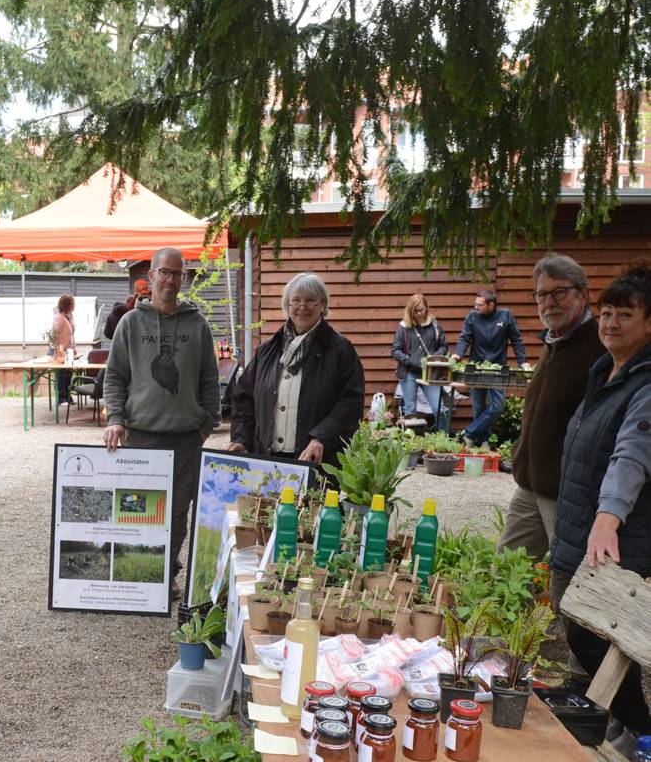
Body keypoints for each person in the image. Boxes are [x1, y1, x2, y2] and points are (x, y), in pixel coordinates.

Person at [550, 260, 651, 745]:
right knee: (578, 632)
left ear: (649, 324)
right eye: (606, 312)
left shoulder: (646, 387)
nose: (610, 323)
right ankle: (606, 725)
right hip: (576, 533)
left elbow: (631, 454)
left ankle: (636, 734)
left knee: (598, 639)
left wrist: (607, 519)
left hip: (610, 540)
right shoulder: (605, 374)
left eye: (624, 315)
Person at [103, 248, 221, 581]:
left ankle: (166, 572)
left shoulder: (197, 325)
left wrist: (206, 425)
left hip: (186, 437)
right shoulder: (130, 323)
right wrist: (115, 419)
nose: (170, 280)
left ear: (183, 278)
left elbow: (210, 379)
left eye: (177, 273)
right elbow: (115, 377)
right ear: (151, 275)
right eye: (164, 272)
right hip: (142, 435)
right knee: (137, 508)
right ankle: (140, 575)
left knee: (178, 511)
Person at [498, 255, 605, 561]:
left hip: (566, 493)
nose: (549, 302)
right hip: (531, 485)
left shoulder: (599, 349)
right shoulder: (553, 341)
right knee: (505, 571)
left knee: (568, 578)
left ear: (582, 295)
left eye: (560, 292)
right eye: (542, 294)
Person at [227, 271, 364, 464]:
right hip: (265, 457)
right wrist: (242, 439)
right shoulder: (268, 349)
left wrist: (321, 438)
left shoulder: (340, 350)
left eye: (310, 300)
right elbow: (243, 399)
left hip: (316, 460)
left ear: (322, 305)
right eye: (296, 300)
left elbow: (351, 404)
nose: (302, 307)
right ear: (287, 305)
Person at [450, 290, 530, 445]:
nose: (475, 307)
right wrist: (457, 355)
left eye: (479, 304)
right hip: (476, 368)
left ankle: (469, 432)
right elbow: (464, 338)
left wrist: (523, 362)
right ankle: (483, 441)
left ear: (491, 305)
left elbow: (517, 340)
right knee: (479, 408)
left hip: (498, 369)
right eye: (475, 304)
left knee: (497, 407)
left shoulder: (505, 316)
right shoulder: (472, 317)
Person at [390, 293, 447, 427]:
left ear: (426, 308)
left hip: (430, 373)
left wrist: (436, 357)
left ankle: (442, 440)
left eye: (422, 309)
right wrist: (411, 361)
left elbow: (443, 346)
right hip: (409, 373)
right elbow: (395, 351)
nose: (420, 313)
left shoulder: (435, 326)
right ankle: (411, 442)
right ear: (411, 311)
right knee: (410, 411)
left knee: (440, 409)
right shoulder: (403, 327)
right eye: (416, 311)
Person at [53, 293, 76, 405]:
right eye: (72, 303)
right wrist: (58, 349)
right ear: (67, 305)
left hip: (70, 351)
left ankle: (68, 396)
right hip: (62, 352)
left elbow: (71, 334)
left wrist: (74, 347)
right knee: (62, 375)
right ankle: (61, 398)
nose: (74, 305)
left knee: (68, 375)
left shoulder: (69, 317)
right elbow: (53, 335)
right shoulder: (60, 319)